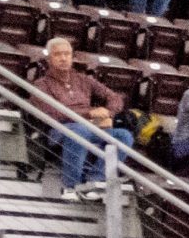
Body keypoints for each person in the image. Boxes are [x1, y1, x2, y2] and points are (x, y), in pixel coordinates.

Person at [32, 37, 131, 195]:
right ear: (49, 59)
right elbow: (55, 113)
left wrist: (108, 112)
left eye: (67, 54)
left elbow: (115, 98)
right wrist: (89, 113)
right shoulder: (41, 84)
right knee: (79, 130)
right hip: (59, 130)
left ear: (72, 57)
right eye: (58, 54)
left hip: (91, 126)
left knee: (124, 136)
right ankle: (70, 186)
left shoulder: (83, 79)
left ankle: (96, 181)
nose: (63, 58)